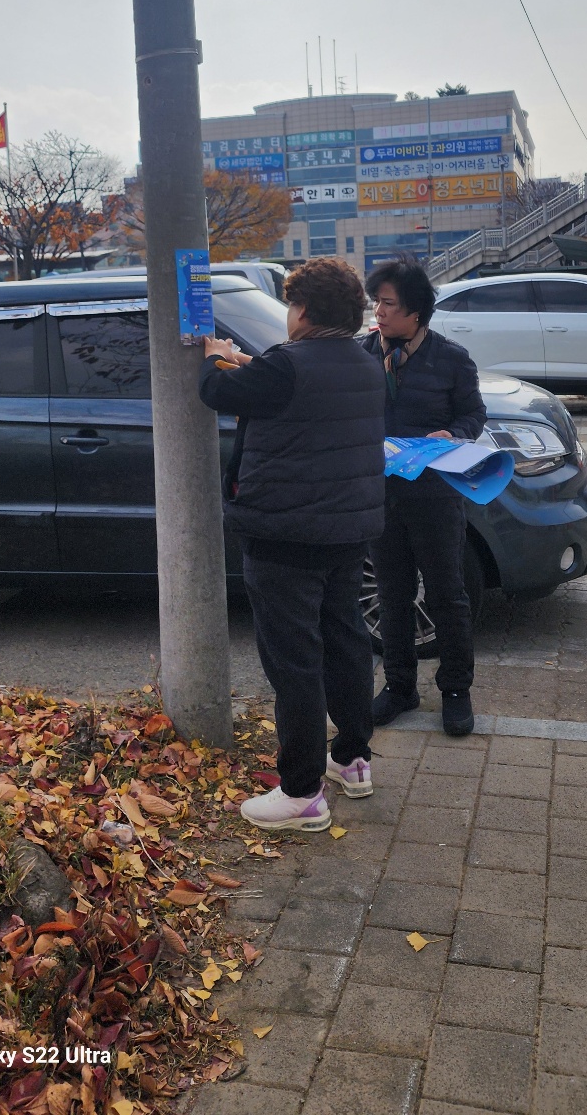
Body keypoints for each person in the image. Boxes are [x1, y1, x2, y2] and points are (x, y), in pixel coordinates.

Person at [198, 257, 386, 832]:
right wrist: (250, 363)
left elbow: (214, 390)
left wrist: (213, 354)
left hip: (285, 535)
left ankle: (301, 792)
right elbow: (296, 389)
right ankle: (352, 759)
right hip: (347, 532)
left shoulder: (285, 367)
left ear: (302, 310)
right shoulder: (365, 361)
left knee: (295, 663)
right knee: (347, 641)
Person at [362, 256, 486, 737]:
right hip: (382, 495)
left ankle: (455, 690)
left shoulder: (451, 358)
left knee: (446, 594)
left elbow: (473, 415)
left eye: (388, 304)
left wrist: (454, 434)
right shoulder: (363, 353)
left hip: (434, 496)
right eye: (376, 302)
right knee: (391, 595)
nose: (379, 312)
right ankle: (399, 686)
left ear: (416, 312)